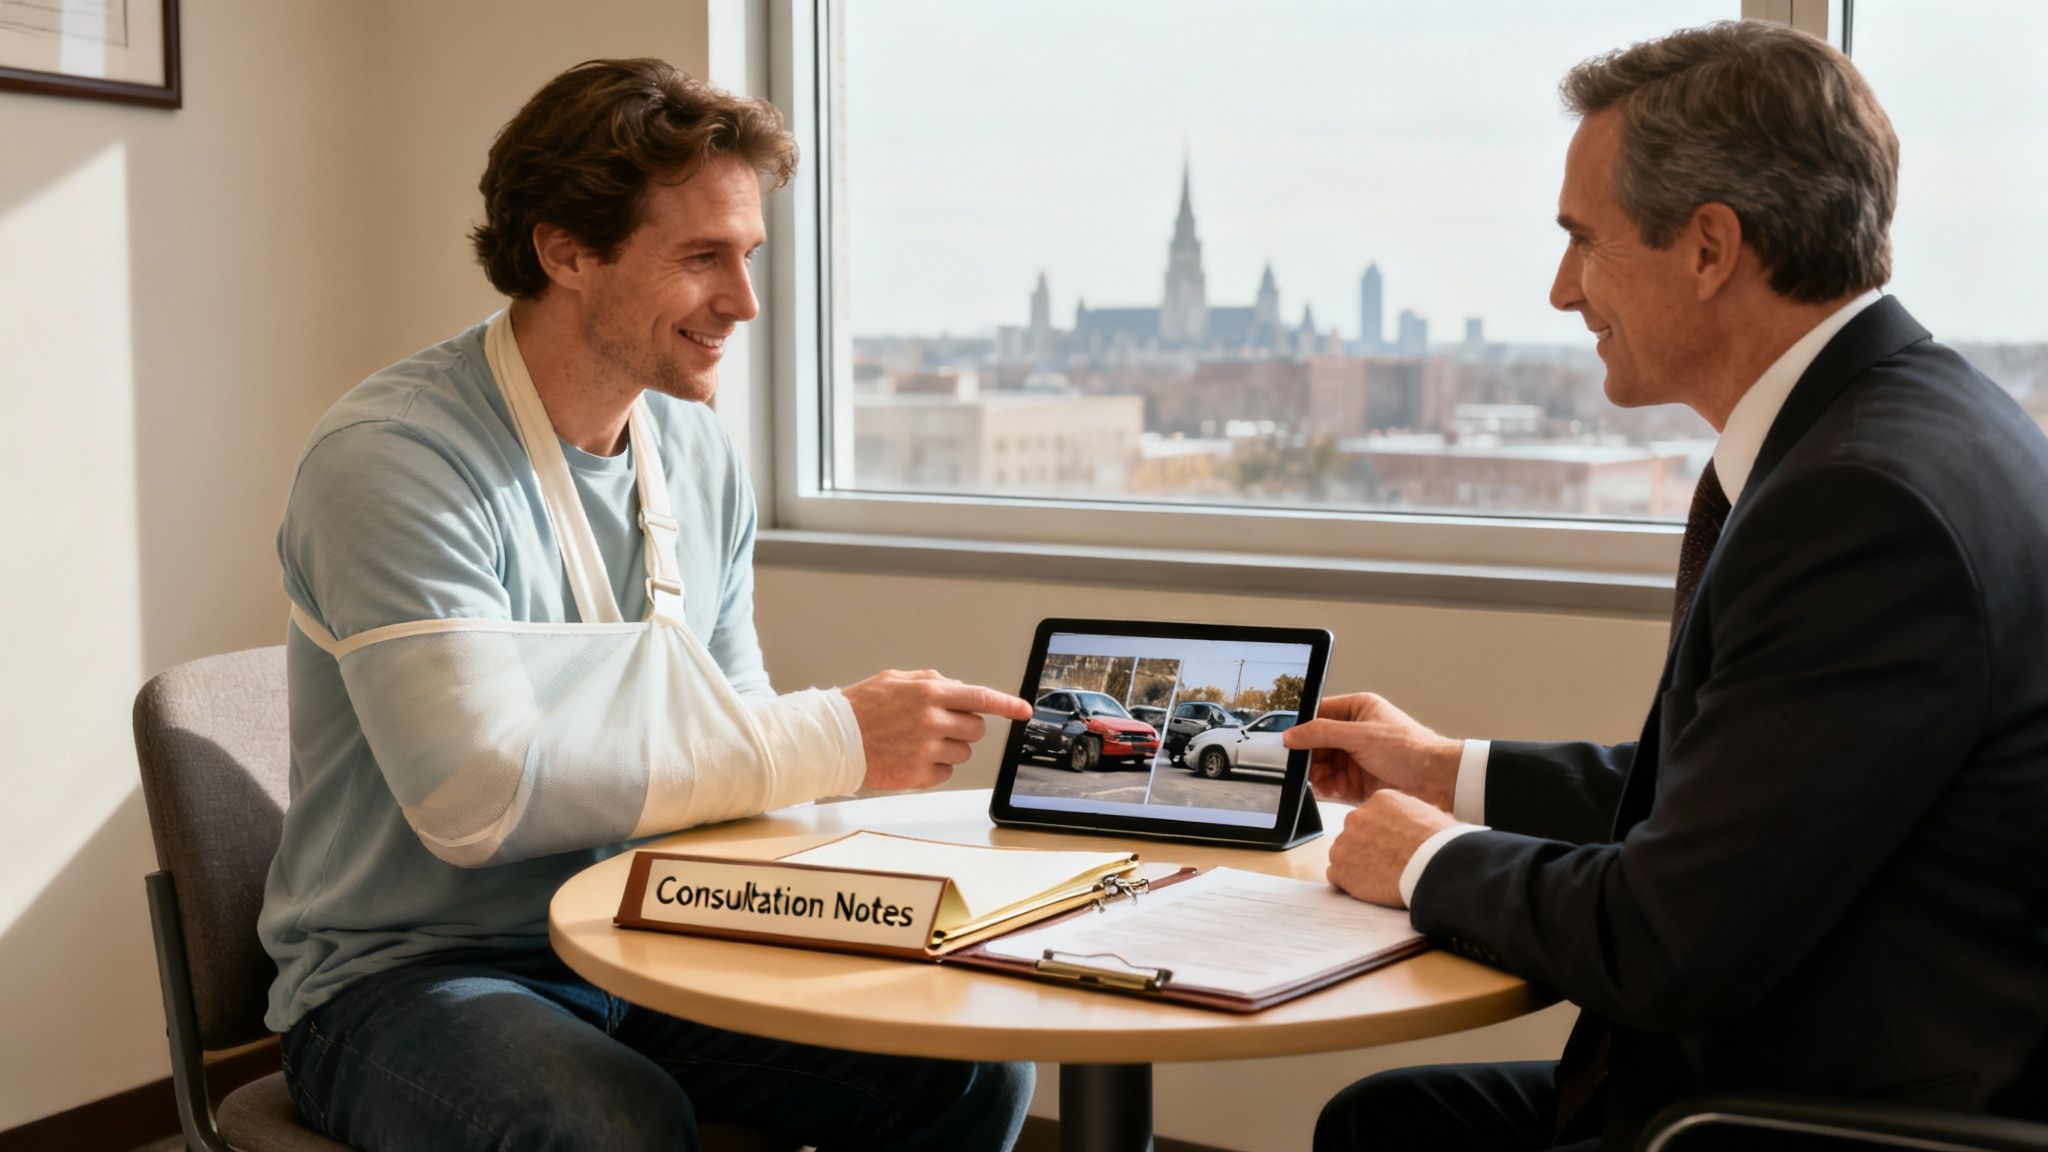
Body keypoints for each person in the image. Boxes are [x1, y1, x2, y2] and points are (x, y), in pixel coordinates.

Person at [1289, 21, 2048, 1152]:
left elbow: (1662, 943)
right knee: (1388, 1122)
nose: (1559, 290)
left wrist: (1424, 857)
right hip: (1835, 1054)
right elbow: (1749, 803)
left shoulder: (1860, 509)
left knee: (1390, 1130)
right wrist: (1450, 774)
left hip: (1809, 1117)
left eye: (1581, 240)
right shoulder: (1913, 424)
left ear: (1706, 248)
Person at [257, 58, 1035, 1151]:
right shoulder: (394, 459)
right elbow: (474, 800)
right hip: (412, 978)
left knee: (969, 1060)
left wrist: (869, 891)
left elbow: (734, 728)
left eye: (748, 256)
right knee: (606, 1124)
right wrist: (835, 738)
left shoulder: (696, 453)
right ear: (565, 250)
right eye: (702, 258)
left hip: (648, 935)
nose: (746, 302)